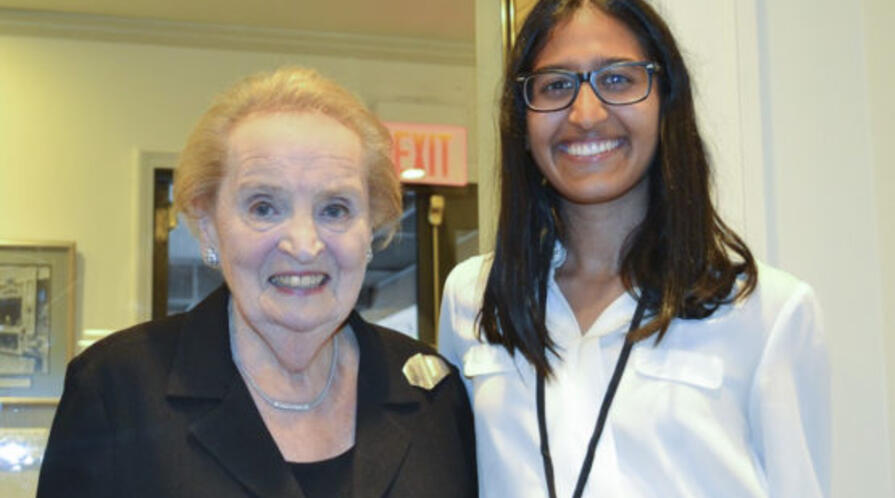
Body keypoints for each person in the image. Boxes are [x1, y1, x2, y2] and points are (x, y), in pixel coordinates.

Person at [438, 1, 829, 497]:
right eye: (556, 85)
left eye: (619, 79)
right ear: (522, 119)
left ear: (666, 99)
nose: (585, 115)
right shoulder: (472, 298)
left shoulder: (770, 312)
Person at [37, 67, 477, 498]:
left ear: (371, 228)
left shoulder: (431, 395)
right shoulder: (117, 388)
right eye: (265, 207)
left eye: (336, 209)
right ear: (208, 225)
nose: (304, 245)